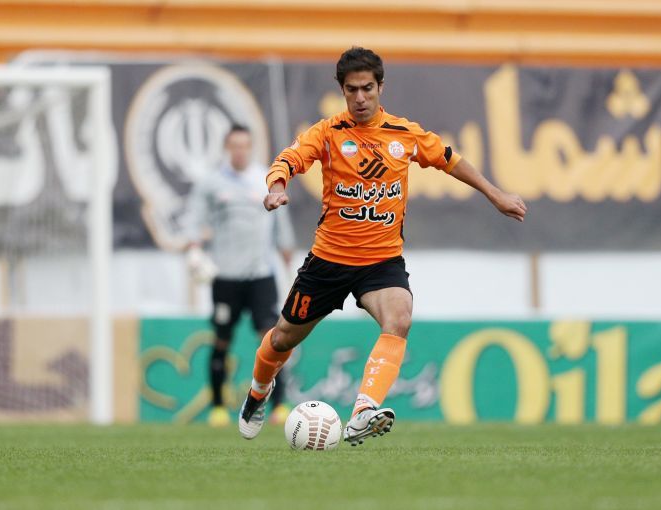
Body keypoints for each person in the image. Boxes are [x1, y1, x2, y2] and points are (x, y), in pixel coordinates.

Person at [238, 47, 527, 445]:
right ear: (342, 90)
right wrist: (276, 187)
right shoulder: (328, 133)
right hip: (328, 261)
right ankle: (258, 392)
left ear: (380, 87)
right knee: (282, 337)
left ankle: (363, 411)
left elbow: (449, 159)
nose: (360, 98)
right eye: (352, 90)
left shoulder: (403, 134)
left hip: (380, 261)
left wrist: (495, 194)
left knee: (400, 317)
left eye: (367, 88)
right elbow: (289, 158)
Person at [186, 124, 295, 428]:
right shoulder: (211, 184)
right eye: (234, 145)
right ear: (227, 148)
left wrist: (287, 252)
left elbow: (281, 220)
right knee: (221, 340)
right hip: (226, 276)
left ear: (251, 147)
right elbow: (195, 218)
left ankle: (279, 405)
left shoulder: (266, 179)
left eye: (244, 145)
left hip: (260, 275)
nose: (240, 151)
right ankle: (218, 408)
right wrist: (194, 248)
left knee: (274, 340)